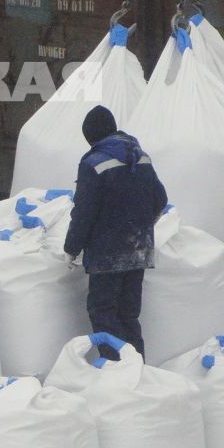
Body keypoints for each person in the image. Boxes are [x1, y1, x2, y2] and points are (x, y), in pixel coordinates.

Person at [62, 105, 168, 356]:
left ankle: (115, 370)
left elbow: (84, 211)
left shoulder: (94, 163)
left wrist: (71, 248)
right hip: (139, 250)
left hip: (107, 254)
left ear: (91, 136)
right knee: (129, 315)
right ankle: (135, 369)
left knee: (103, 313)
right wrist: (143, 224)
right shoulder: (141, 156)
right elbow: (160, 200)